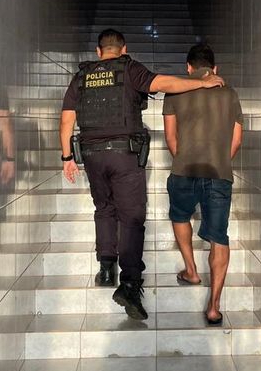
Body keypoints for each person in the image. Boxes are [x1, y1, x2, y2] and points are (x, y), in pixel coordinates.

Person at [59, 29, 224, 320]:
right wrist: (202, 82)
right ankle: (130, 285)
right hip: (124, 154)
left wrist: (67, 157)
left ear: (99, 51)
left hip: (92, 156)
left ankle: (106, 267)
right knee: (132, 218)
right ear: (124, 49)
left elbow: (67, 119)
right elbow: (164, 83)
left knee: (104, 208)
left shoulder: (81, 76)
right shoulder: (129, 69)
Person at [162, 44, 243, 326]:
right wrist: (219, 161)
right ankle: (214, 307)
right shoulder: (230, 93)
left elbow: (171, 138)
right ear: (214, 68)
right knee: (219, 236)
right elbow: (236, 139)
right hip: (219, 172)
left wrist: (184, 159)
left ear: (188, 67)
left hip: (184, 169)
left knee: (179, 215)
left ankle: (191, 270)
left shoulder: (174, 92)